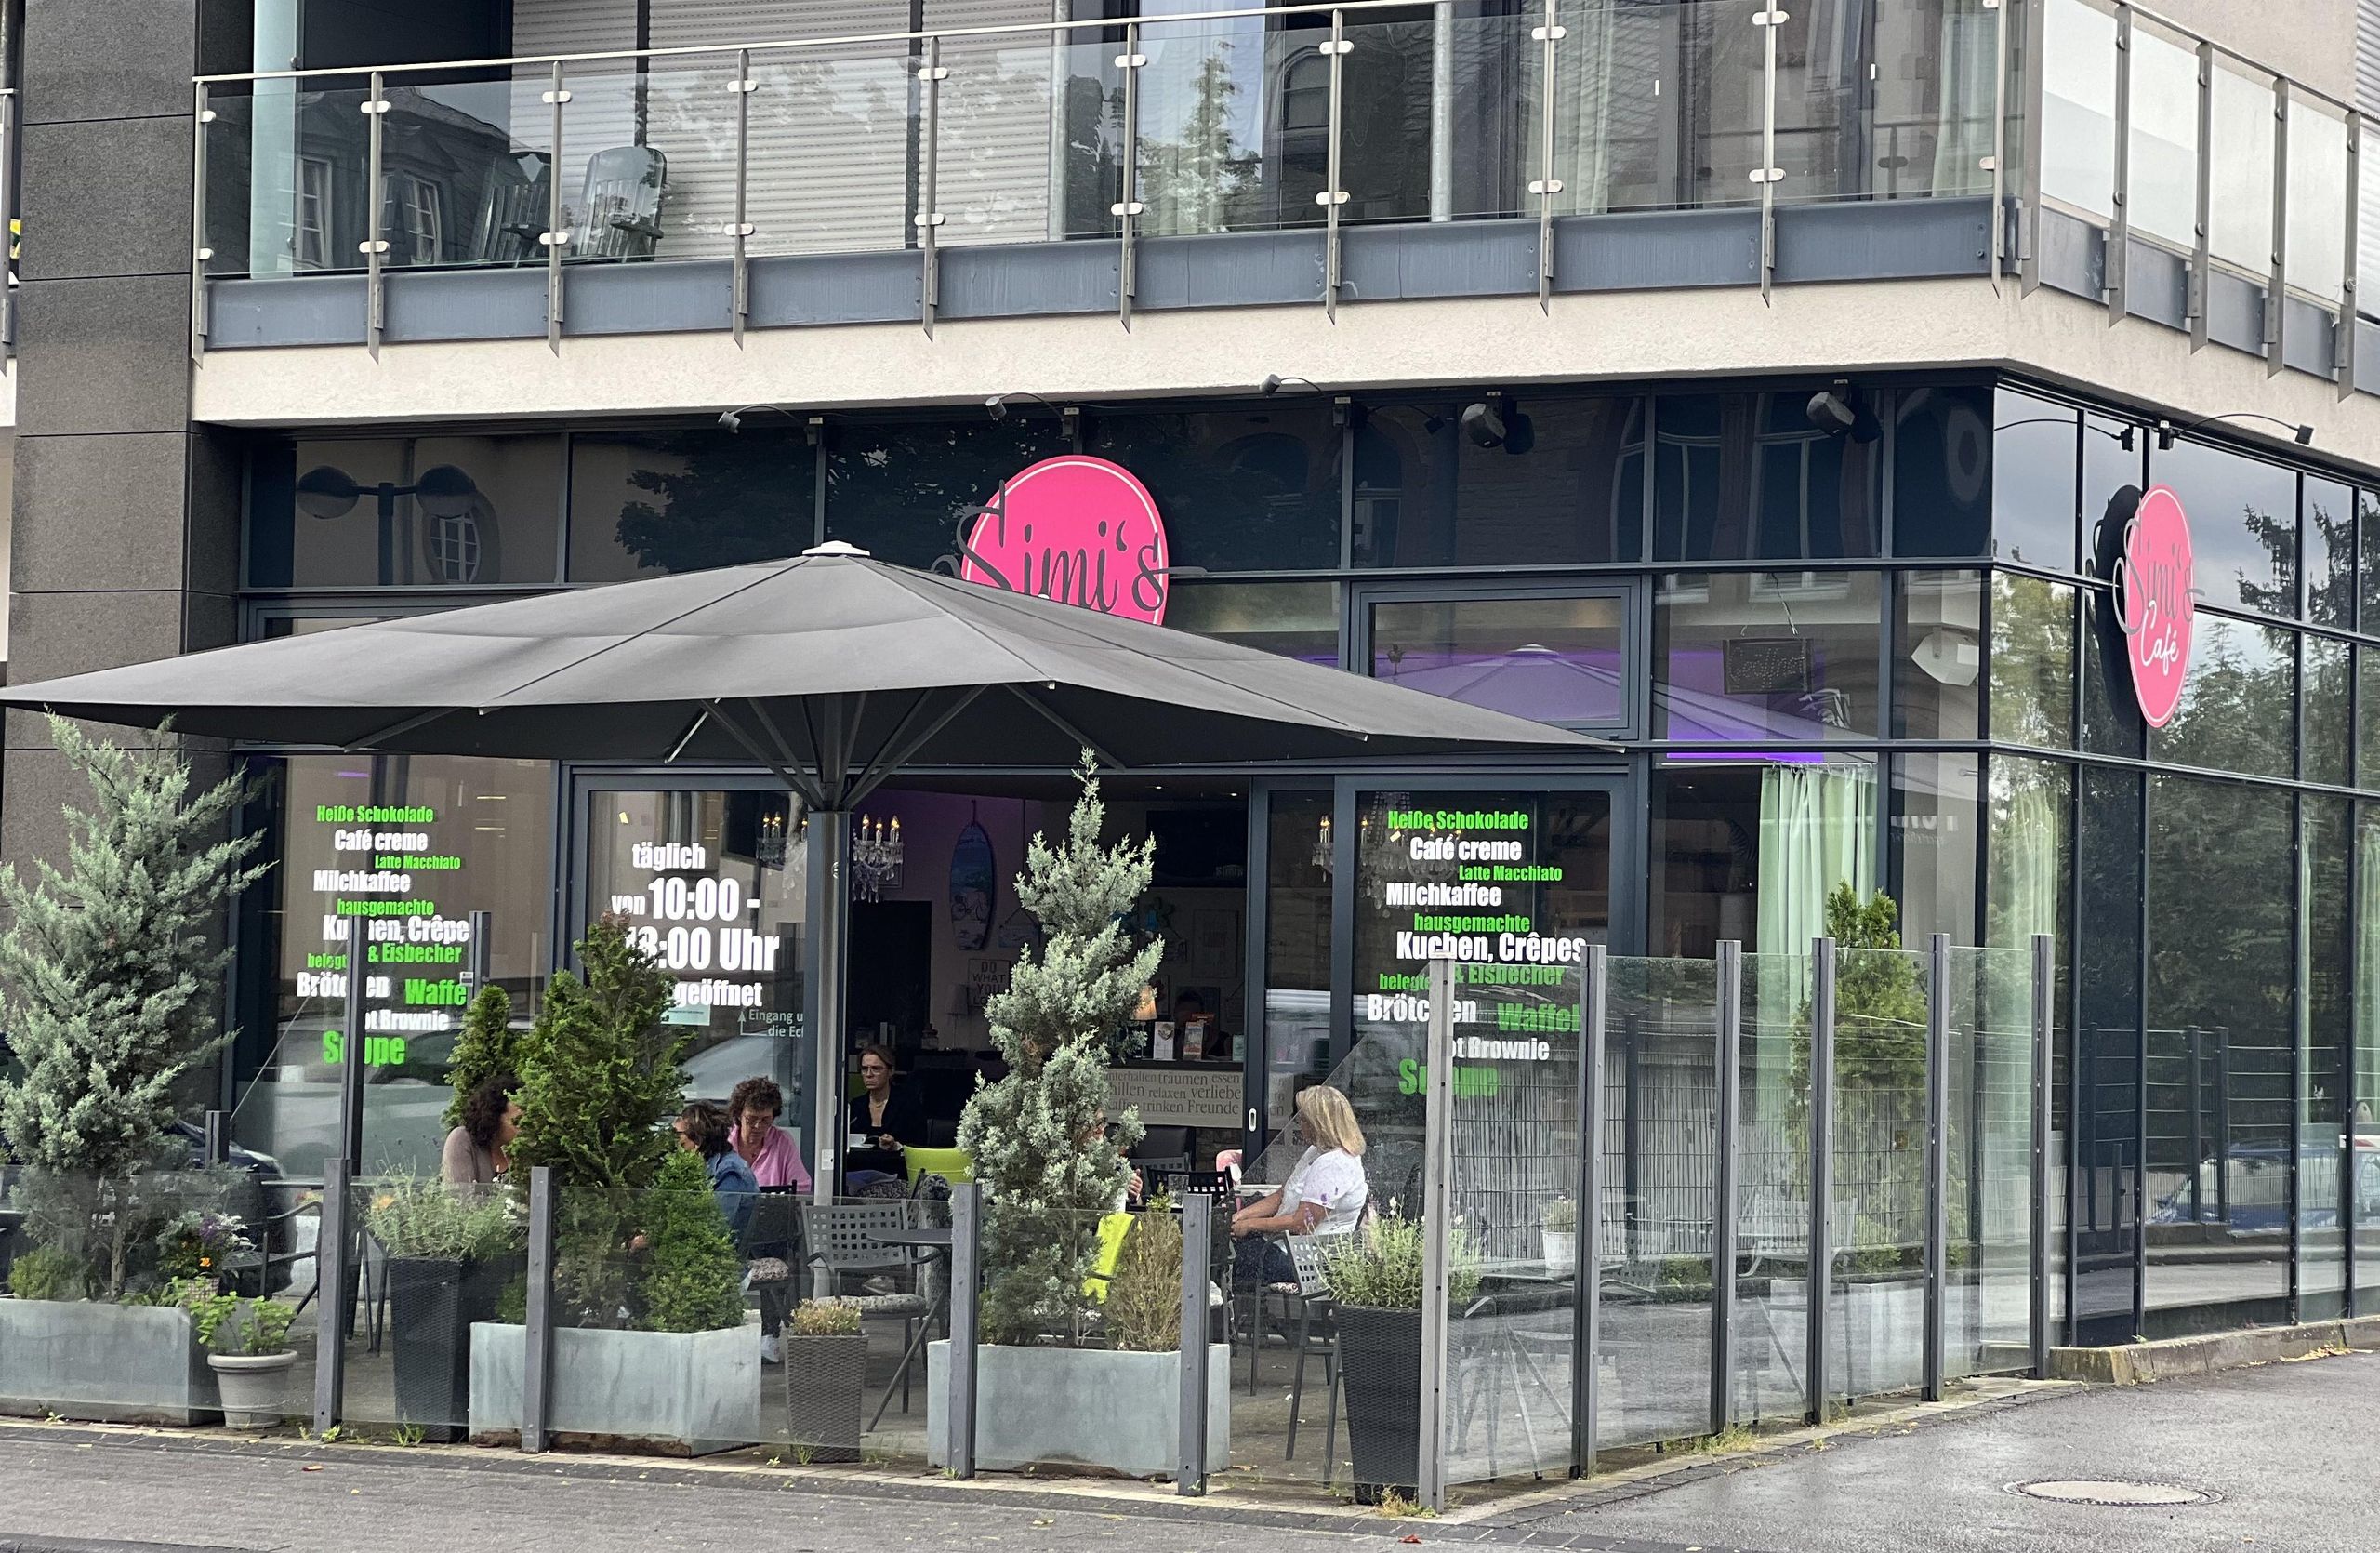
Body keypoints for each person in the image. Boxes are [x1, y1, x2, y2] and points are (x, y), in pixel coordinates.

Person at [1230, 1083, 1368, 1288]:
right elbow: (1282, 1195)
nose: (1299, 1125)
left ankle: (1227, 1304)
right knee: (1233, 1246)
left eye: (1303, 1119)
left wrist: (1250, 1225)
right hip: (1288, 1246)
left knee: (1232, 1258)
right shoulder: (1316, 1151)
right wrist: (1242, 1215)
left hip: (1307, 1260)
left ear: (1319, 1123)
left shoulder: (1334, 1164)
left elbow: (1302, 1224)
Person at [675, 1101, 758, 1242]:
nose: (675, 1142)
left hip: (729, 1252)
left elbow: (718, 1228)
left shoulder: (729, 1172)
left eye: (678, 1135)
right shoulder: (700, 1167)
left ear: (697, 1139)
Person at [844, 1044, 925, 1188]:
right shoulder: (856, 1106)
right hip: (858, 1174)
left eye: (876, 1068)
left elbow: (920, 1145)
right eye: (864, 1069)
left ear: (890, 1071)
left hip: (897, 1174)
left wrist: (896, 1146)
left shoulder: (908, 1104)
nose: (869, 1074)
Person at [728, 1075, 813, 1192]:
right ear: (738, 1115)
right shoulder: (723, 1143)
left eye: (765, 1120)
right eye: (751, 1119)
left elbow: (801, 1187)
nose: (758, 1126)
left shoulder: (782, 1142)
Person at [440, 1073, 520, 1187]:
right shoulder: (462, 1140)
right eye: (517, 1121)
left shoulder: (526, 1151)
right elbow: (460, 1194)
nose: (524, 1128)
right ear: (494, 1117)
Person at [1174, 989, 1232, 1063]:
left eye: (1194, 1016)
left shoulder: (1223, 1040)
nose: (1190, 1023)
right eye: (1184, 1017)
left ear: (1202, 1015)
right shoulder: (1173, 1037)